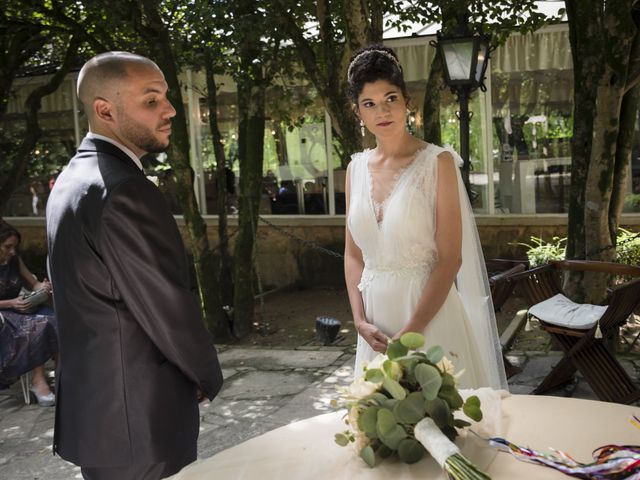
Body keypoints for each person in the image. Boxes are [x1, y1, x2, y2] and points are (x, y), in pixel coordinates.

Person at [45, 52, 223, 480]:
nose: (170, 110)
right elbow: (165, 303)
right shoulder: (124, 190)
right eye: (151, 101)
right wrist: (202, 374)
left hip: (100, 415)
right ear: (104, 109)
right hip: (137, 417)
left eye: (165, 97)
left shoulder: (72, 178)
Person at [344, 46, 507, 391]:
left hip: (428, 316)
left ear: (407, 101)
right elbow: (354, 254)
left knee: (444, 422)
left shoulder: (438, 163)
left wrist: (410, 333)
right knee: (385, 432)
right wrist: (359, 320)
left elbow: (450, 259)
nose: (382, 111)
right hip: (375, 325)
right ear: (357, 112)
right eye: (370, 103)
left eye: (390, 98)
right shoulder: (355, 169)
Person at [0, 220, 57, 406]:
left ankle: (63, 374)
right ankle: (38, 382)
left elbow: (33, 284)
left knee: (55, 318)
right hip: (4, 313)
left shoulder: (15, 260)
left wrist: (43, 287)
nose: (13, 251)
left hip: (21, 308)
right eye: (8, 246)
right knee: (35, 326)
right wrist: (11, 303)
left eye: (15, 247)